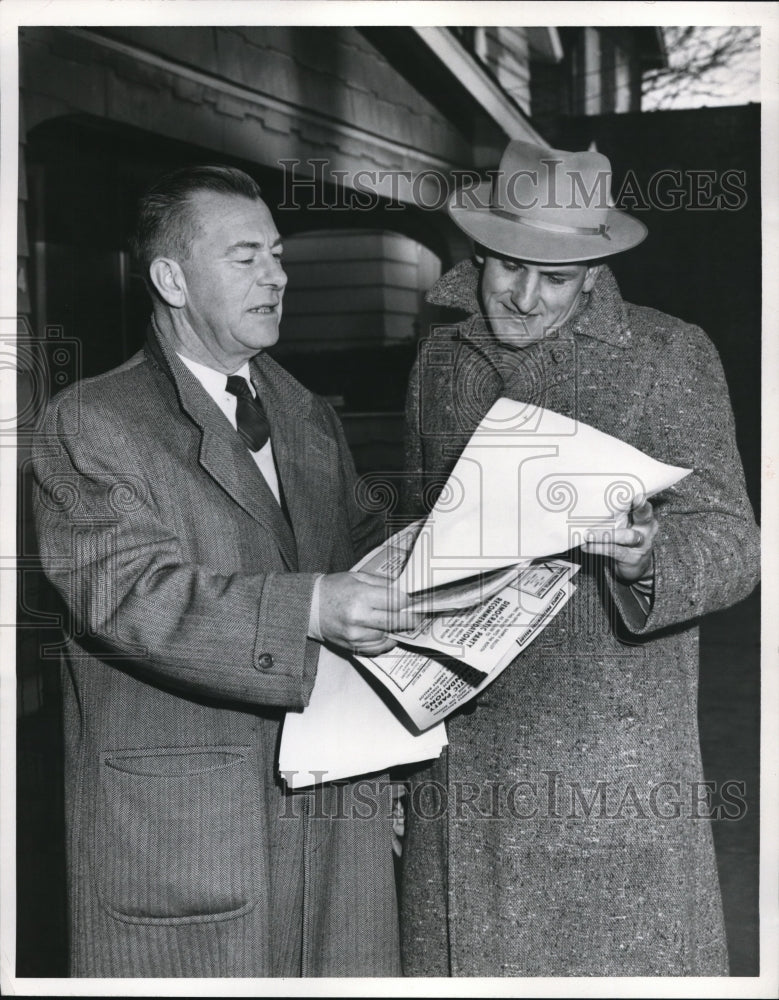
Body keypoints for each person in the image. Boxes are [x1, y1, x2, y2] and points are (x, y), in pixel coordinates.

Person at [31, 165, 414, 977]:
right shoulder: (91, 423)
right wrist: (309, 608)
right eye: (245, 256)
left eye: (276, 253)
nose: (276, 274)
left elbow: (363, 560)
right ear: (171, 278)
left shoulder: (305, 412)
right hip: (190, 832)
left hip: (337, 817)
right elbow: (127, 593)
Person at [399, 140, 760, 976]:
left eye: (554, 279)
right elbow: (416, 537)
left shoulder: (668, 356)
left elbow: (734, 540)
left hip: (605, 766)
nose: (522, 298)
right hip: (458, 757)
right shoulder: (439, 358)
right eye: (505, 268)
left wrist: (649, 556)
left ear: (594, 273)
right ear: (478, 252)